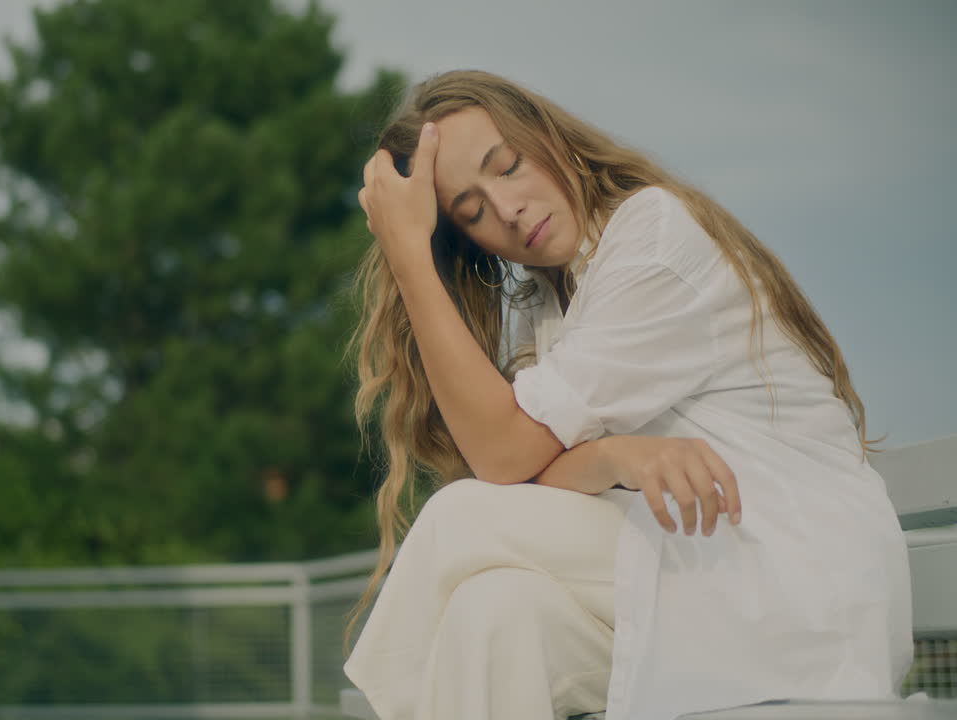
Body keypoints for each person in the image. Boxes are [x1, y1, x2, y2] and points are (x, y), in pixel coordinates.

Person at [342, 70, 911, 720]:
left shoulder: (653, 241)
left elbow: (502, 462)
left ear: (547, 137)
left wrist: (408, 251)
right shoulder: (543, 298)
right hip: (688, 577)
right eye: (472, 212)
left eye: (508, 167)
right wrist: (617, 457)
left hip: (790, 578)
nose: (507, 209)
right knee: (493, 614)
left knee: (454, 518)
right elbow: (523, 475)